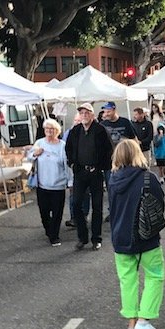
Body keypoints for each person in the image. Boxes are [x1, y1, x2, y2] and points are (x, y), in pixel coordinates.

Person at [108, 139, 165, 329]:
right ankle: (144, 319)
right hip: (145, 236)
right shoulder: (148, 178)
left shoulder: (113, 179)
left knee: (128, 281)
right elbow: (159, 204)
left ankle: (131, 325)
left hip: (120, 237)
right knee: (155, 275)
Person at [65, 103, 113, 250]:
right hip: (80, 173)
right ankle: (82, 237)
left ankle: (96, 238)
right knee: (77, 204)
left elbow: (108, 150)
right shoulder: (75, 131)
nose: (84, 115)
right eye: (82, 113)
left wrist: (102, 167)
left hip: (96, 173)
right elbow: (69, 148)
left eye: (87, 113)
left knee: (97, 206)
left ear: (92, 115)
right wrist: (72, 164)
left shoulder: (100, 130)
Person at [27, 119, 72, 246]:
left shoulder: (62, 145)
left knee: (57, 213)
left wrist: (70, 181)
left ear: (57, 131)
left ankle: (54, 236)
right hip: (42, 184)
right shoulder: (39, 143)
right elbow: (29, 157)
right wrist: (35, 154)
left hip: (58, 185)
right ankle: (49, 230)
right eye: (47, 129)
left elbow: (66, 164)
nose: (49, 131)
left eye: (51, 129)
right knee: (44, 212)